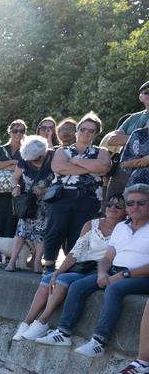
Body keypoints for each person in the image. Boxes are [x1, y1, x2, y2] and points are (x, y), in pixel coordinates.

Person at [36, 183, 149, 357]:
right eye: (130, 203)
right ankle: (63, 332)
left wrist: (125, 274)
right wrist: (103, 272)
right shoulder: (121, 227)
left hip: (141, 276)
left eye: (141, 203)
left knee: (114, 289)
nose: (135, 207)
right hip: (114, 271)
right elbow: (108, 257)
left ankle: (98, 341)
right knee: (78, 286)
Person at [15, 197, 126, 340]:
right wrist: (57, 271)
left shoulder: (124, 229)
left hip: (100, 269)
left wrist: (60, 275)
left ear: (125, 210)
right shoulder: (91, 224)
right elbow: (75, 252)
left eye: (119, 206)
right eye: (110, 204)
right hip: (82, 266)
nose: (113, 207)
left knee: (62, 280)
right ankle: (26, 322)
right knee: (48, 278)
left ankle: (42, 322)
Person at [43, 112, 113, 271]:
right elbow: (59, 167)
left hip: (88, 198)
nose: (86, 133)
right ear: (77, 130)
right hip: (61, 195)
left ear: (96, 134)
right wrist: (89, 167)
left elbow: (103, 167)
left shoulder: (101, 151)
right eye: (83, 129)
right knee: (56, 229)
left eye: (91, 131)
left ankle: (71, 266)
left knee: (79, 233)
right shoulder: (62, 150)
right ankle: (49, 266)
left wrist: (75, 161)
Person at [6, 135, 54, 272]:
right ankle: (12, 262)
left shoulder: (53, 157)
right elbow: (14, 178)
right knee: (21, 232)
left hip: (46, 203)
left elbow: (61, 181)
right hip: (28, 202)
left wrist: (45, 189)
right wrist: (16, 187)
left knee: (41, 233)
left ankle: (37, 263)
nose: (35, 161)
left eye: (38, 158)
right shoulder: (24, 159)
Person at [102, 81, 149, 150]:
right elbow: (112, 140)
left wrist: (125, 139)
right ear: (140, 97)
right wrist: (140, 139)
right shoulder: (132, 118)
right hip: (129, 159)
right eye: (147, 92)